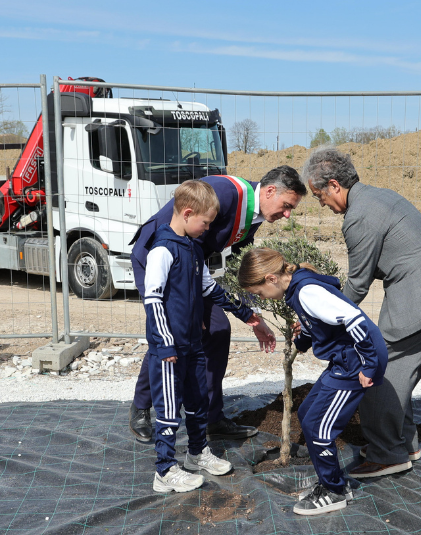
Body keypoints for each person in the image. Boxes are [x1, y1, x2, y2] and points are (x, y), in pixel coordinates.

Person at [301, 147, 421, 479]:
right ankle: (404, 445)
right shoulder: (377, 197)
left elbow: (358, 284)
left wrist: (320, 320)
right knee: (400, 373)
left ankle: (387, 455)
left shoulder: (359, 216)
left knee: (377, 366)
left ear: (334, 185)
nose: (321, 203)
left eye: (319, 195)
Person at [129, 167, 307, 442]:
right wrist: (193, 309)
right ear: (270, 191)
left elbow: (242, 266)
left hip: (193, 267)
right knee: (169, 331)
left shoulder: (255, 213)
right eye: (286, 206)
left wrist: (254, 316)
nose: (287, 215)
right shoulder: (224, 194)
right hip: (158, 256)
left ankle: (211, 418)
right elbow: (184, 242)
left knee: (218, 330)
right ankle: (141, 408)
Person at [237, 247, 387, 514]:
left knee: (318, 428)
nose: (261, 298)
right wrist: (302, 341)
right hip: (344, 360)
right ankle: (334, 482)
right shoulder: (296, 288)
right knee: (307, 413)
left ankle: (334, 491)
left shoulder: (307, 291)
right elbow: (316, 321)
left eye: (259, 292)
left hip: (357, 363)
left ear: (271, 278)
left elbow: (354, 320)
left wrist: (370, 365)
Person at [143, 180, 259, 493]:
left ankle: (196, 454)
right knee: (169, 411)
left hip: (194, 344)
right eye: (205, 223)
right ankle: (164, 471)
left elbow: (209, 288)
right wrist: (164, 342)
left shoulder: (194, 248)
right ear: (187, 213)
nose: (208, 229)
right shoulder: (162, 250)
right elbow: (153, 299)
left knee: (198, 403)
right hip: (169, 349)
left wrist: (245, 313)